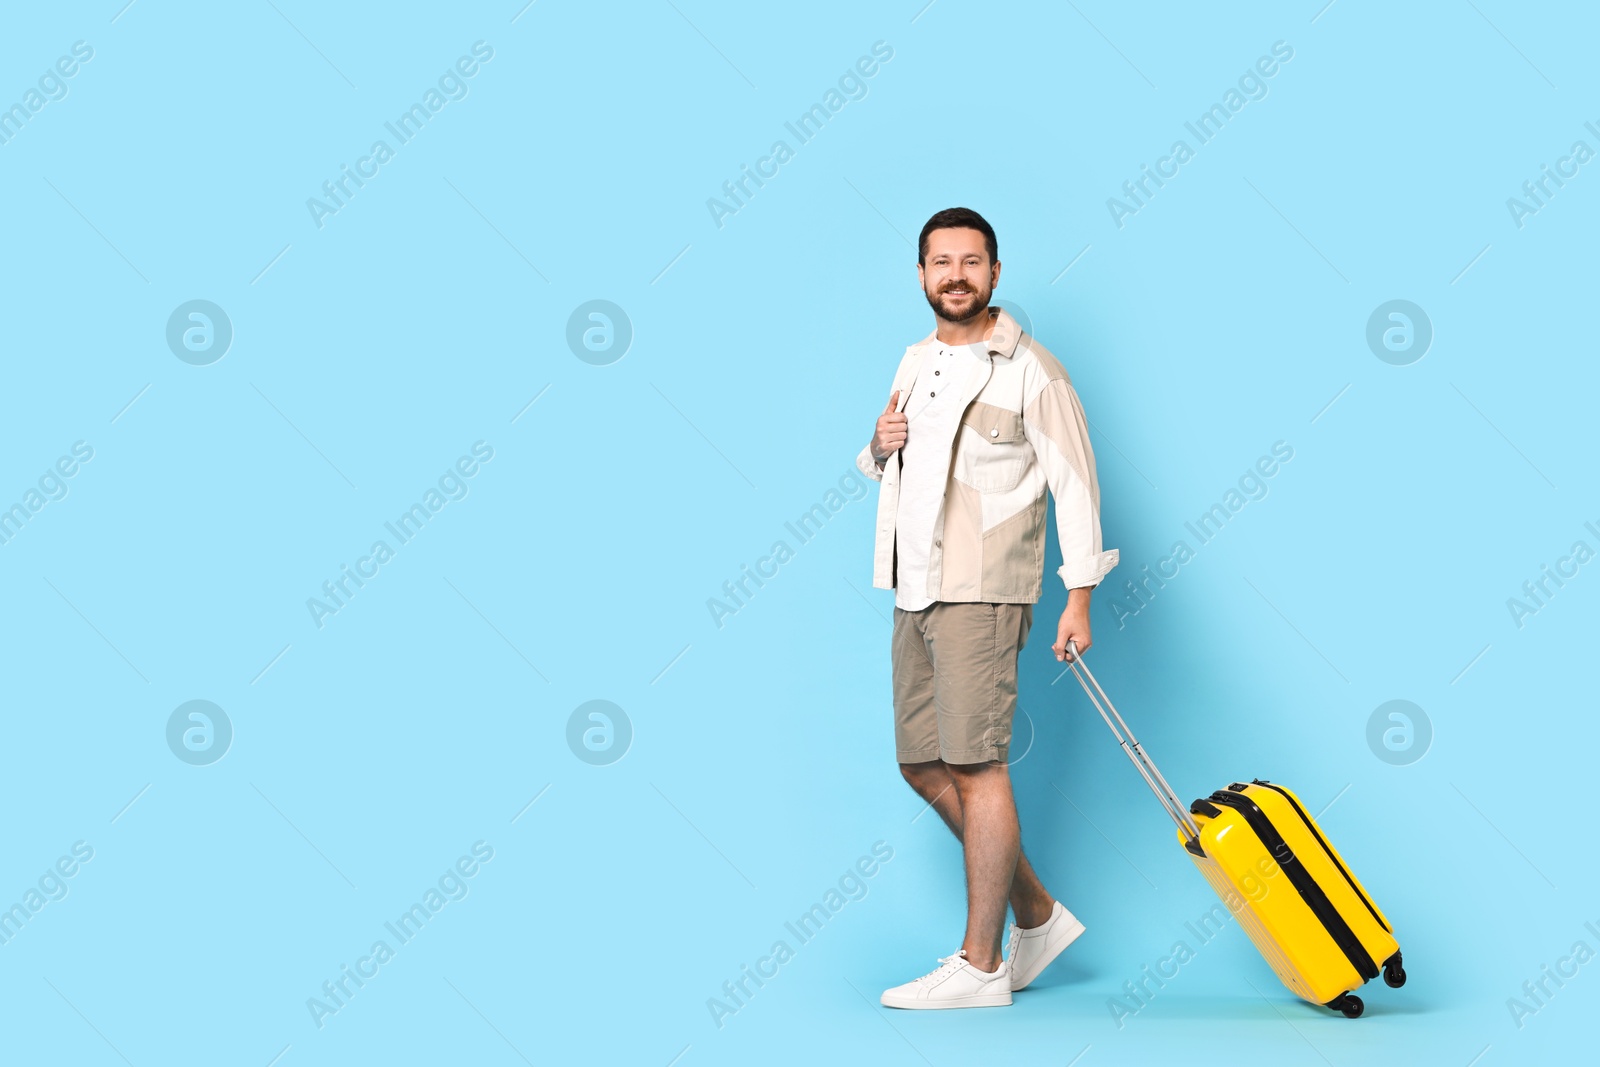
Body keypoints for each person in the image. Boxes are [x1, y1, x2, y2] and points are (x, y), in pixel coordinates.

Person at [856, 207, 1119, 1009]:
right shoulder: (914, 360)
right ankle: (1035, 915)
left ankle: (980, 966)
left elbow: (1076, 481)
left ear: (995, 274)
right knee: (920, 761)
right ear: (922, 275)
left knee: (976, 764)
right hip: (915, 583)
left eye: (972, 262)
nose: (957, 275)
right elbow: (885, 469)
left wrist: (1078, 596)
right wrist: (877, 443)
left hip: (984, 586)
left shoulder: (1033, 369)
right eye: (942, 262)